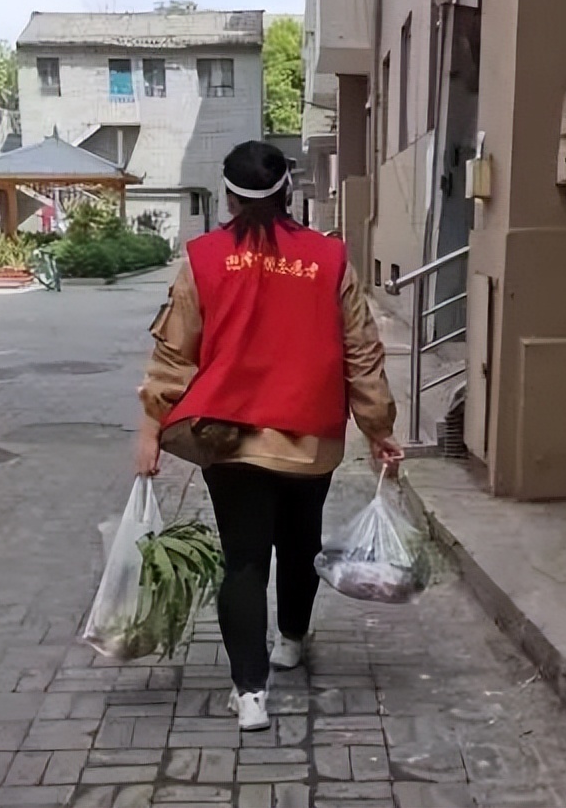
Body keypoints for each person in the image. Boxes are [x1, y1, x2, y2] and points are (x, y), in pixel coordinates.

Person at [136, 141, 401, 732]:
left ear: (229, 195)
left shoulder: (203, 259)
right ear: (287, 190)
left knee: (245, 560)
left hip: (229, 440)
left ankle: (249, 693)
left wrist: (151, 429)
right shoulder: (329, 259)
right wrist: (380, 429)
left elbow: (172, 356)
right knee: (299, 539)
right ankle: (290, 641)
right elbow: (362, 352)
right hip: (311, 439)